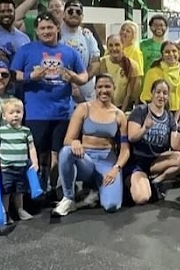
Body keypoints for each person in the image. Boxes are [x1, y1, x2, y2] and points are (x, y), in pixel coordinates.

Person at [11, 14, 87, 187]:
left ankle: (55, 188)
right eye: (42, 28)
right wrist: (31, 76)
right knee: (37, 154)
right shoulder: (26, 50)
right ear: (37, 31)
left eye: (50, 27)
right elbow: (12, 74)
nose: (46, 31)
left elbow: (84, 76)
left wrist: (74, 77)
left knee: (58, 154)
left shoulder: (69, 52)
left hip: (62, 113)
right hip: (35, 113)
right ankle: (36, 190)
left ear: (57, 28)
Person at [55, 74, 129, 215]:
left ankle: (93, 192)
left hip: (106, 162)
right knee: (66, 151)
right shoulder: (83, 108)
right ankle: (68, 198)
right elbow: (68, 140)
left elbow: (125, 150)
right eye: (100, 87)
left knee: (112, 206)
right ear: (95, 89)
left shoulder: (119, 115)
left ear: (114, 88)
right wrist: (75, 142)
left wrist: (116, 168)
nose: (104, 90)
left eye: (107, 87)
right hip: (86, 160)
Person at [126, 79, 180, 203]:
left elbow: (175, 146)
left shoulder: (169, 117)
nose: (161, 96)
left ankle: (156, 181)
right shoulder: (140, 111)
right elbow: (132, 137)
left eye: (165, 93)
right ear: (152, 93)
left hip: (156, 161)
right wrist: (145, 128)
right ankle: (131, 182)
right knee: (142, 198)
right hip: (138, 161)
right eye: (158, 92)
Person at [0, 97, 38, 222]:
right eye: (11, 113)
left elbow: (31, 148)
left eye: (18, 112)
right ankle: (5, 213)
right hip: (6, 168)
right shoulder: (0, 132)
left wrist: (35, 162)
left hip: (22, 167)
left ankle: (20, 210)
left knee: (19, 191)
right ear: (4, 116)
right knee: (6, 191)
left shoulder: (26, 131)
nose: (15, 115)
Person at [58, 0, 101, 104]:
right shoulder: (56, 34)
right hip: (62, 96)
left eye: (78, 12)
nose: (74, 14)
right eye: (70, 11)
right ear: (63, 14)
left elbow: (96, 62)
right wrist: (71, 82)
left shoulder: (88, 36)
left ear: (82, 16)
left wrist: (81, 79)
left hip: (87, 97)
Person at [140, 40, 180, 117]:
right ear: (162, 55)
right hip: (156, 113)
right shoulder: (153, 72)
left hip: (177, 113)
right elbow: (147, 97)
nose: (171, 54)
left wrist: (175, 119)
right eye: (167, 52)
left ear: (179, 53)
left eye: (174, 51)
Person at [101, 34, 142, 111]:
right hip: (104, 106)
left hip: (124, 107)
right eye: (110, 45)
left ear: (123, 46)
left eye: (117, 45)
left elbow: (129, 94)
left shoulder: (132, 65)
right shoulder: (102, 63)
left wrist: (121, 112)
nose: (114, 48)